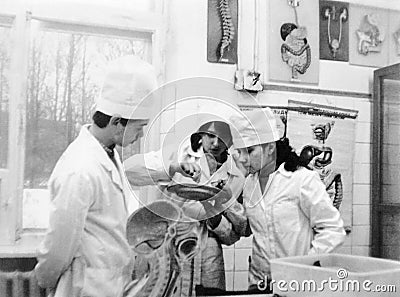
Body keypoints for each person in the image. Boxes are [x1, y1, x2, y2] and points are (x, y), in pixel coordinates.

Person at [34, 55, 198, 297]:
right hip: (86, 287)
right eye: (139, 127)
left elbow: (134, 172)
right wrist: (45, 279)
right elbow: (59, 246)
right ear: (117, 122)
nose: (141, 135)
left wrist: (171, 167)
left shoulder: (106, 153)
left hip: (109, 284)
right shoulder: (80, 169)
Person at [229, 108, 346, 292]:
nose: (243, 159)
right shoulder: (249, 184)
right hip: (259, 283)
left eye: (249, 151)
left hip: (298, 284)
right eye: (239, 152)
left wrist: (304, 266)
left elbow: (333, 230)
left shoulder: (301, 179)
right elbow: (253, 229)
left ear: (270, 148)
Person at [175, 121, 248, 291]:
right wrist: (212, 208)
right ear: (200, 137)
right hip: (180, 241)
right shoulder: (184, 165)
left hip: (211, 249)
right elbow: (179, 205)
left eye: (221, 139)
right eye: (210, 136)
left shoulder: (237, 178)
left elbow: (234, 235)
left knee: (211, 291)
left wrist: (216, 221)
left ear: (230, 142)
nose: (215, 143)